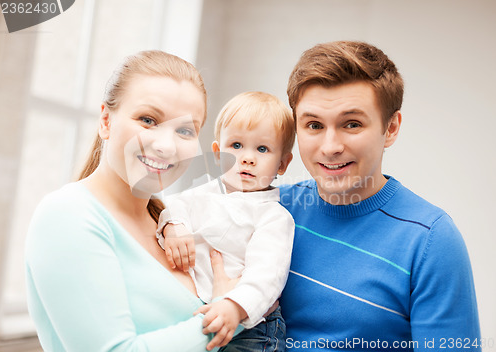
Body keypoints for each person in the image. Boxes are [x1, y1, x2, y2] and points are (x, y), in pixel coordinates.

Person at [25, 50, 236, 352]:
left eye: (186, 130)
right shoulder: (67, 215)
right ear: (106, 121)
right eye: (148, 120)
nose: (165, 145)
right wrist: (232, 313)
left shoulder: (173, 224)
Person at [278, 41, 481, 351]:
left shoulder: (430, 240)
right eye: (314, 125)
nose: (330, 146)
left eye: (352, 124)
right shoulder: (269, 208)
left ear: (391, 128)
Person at [157, 91, 296, 352]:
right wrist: (174, 226)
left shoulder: (273, 217)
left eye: (262, 149)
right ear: (217, 153)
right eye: (235, 145)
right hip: (203, 313)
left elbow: (267, 275)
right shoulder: (201, 194)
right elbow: (173, 207)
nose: (247, 157)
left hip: (251, 328)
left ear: (282, 164)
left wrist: (234, 305)